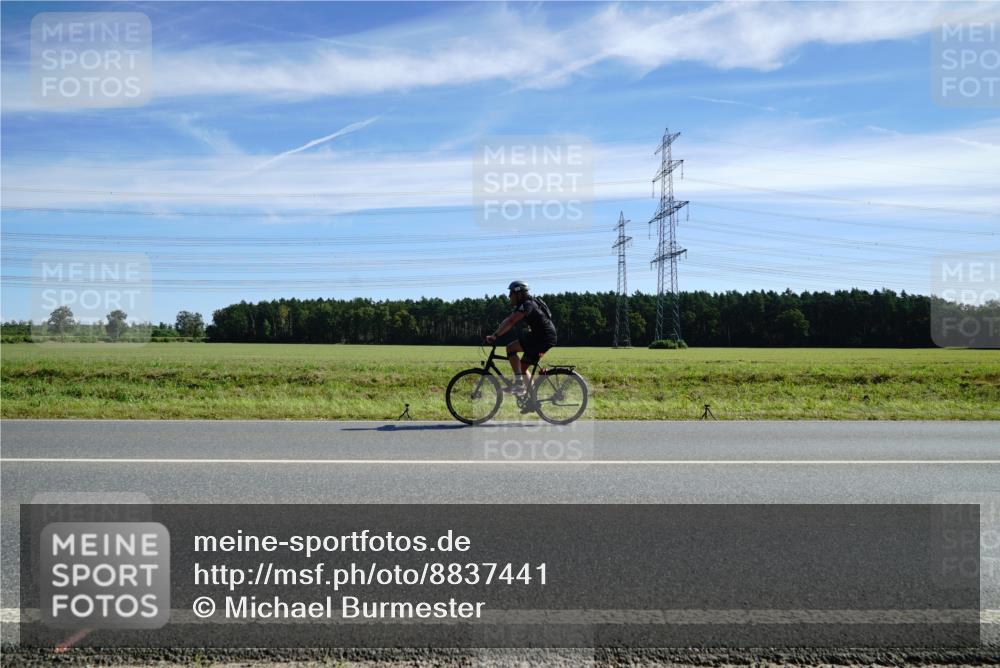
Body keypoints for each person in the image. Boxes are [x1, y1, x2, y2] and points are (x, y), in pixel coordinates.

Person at [485, 281, 557, 396]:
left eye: (511, 293)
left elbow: (511, 321)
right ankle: (532, 400)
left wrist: (495, 336)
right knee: (523, 368)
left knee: (511, 349)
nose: (509, 296)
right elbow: (508, 319)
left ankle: (519, 385)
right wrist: (495, 333)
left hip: (542, 338)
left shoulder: (528, 304)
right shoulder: (525, 304)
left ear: (519, 294)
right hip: (541, 337)